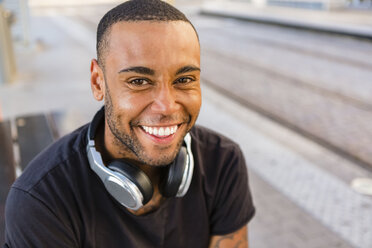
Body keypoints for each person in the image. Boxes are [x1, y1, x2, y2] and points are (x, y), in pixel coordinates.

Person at [3, 0, 255, 247]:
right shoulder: (41, 200)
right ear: (98, 82)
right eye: (138, 81)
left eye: (185, 79)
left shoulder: (223, 162)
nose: (166, 106)